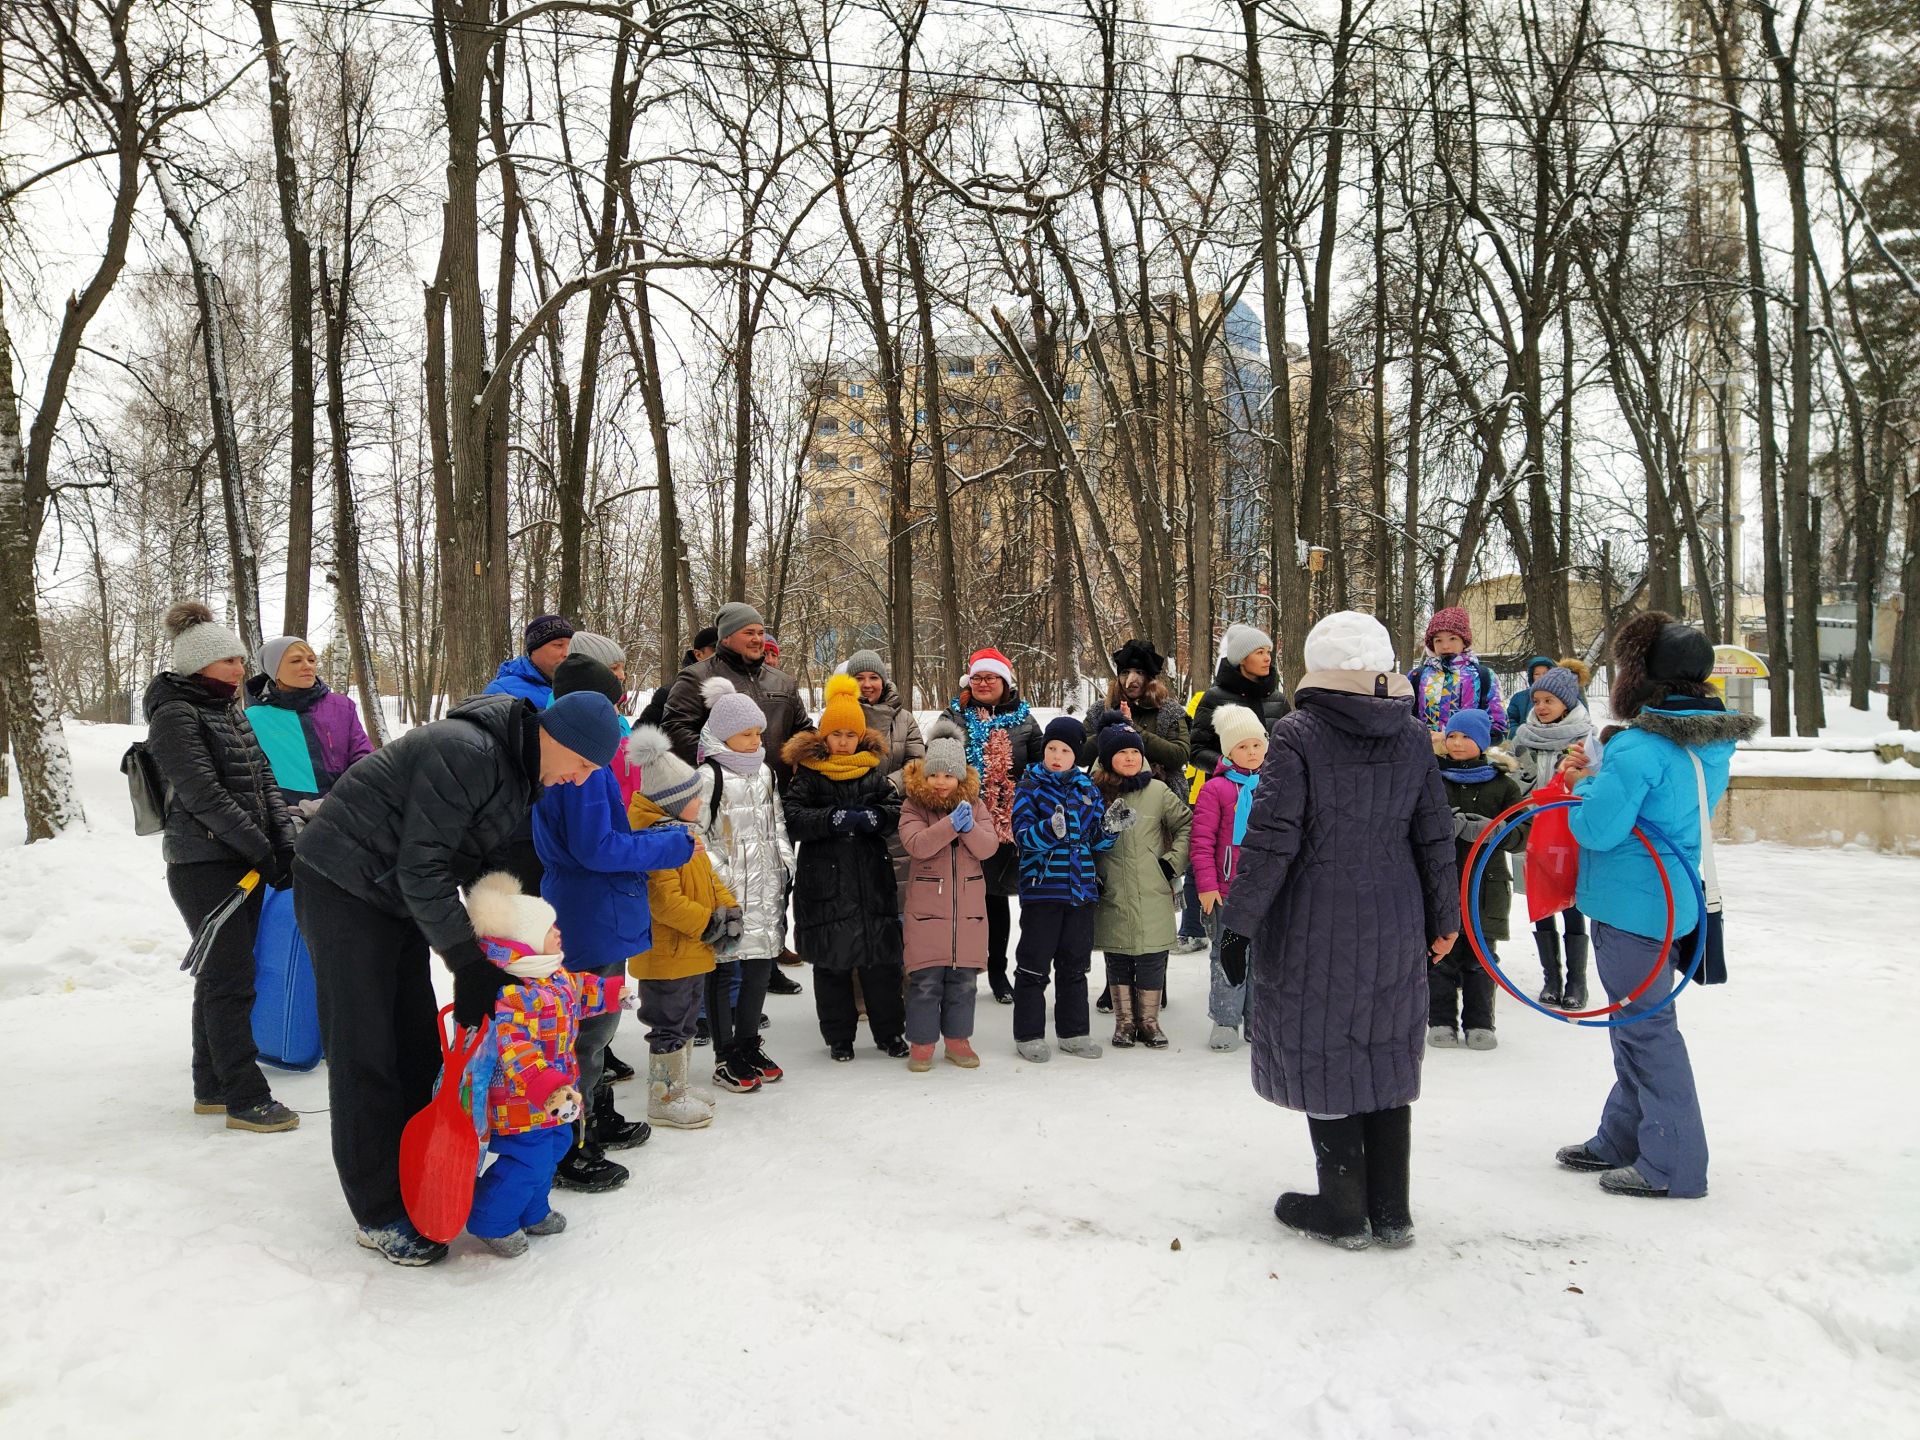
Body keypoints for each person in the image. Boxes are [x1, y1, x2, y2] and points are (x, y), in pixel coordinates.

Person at [292, 687, 623, 1265]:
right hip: (342, 883)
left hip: (393, 894)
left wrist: (507, 951)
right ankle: (377, 1211)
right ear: (561, 740)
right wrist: (468, 964)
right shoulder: (467, 751)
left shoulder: (521, 771)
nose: (579, 779)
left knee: (418, 1043)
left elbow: (465, 864)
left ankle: (420, 1177)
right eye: (583, 766)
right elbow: (423, 863)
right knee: (365, 1047)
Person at [1221, 611, 1459, 1251]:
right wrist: (1446, 917)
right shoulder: (1412, 735)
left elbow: (1272, 839)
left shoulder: (1297, 734)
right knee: (1383, 1047)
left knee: (1325, 1046)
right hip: (1395, 913)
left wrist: (1238, 925)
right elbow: (1433, 834)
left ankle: (1342, 1208)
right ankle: (1392, 1211)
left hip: (1313, 915)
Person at [1555, 613, 1756, 1200]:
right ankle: (1624, 1138)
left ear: (1641, 678)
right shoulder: (1710, 740)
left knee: (1646, 1030)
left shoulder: (1640, 747)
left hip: (1631, 908)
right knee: (1632, 1023)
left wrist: (1582, 787)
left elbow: (1596, 829)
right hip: (1670, 899)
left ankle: (1673, 1163)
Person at [533, 656, 698, 1190]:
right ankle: (569, 1144)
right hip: (590, 914)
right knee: (585, 1032)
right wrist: (666, 843)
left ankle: (594, 1115)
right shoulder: (581, 773)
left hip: (597, 909)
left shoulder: (585, 763)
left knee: (596, 1025)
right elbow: (596, 847)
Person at [145, 602, 301, 1133]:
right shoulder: (174, 716)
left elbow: (264, 781)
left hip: (244, 861)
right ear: (197, 665)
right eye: (228, 662)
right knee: (231, 979)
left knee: (224, 973)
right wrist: (259, 848)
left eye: (240, 660)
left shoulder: (228, 711)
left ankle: (210, 1084)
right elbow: (203, 795)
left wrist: (282, 845)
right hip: (204, 866)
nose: (239, 670)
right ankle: (244, 1096)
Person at [460, 874, 622, 1259]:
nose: (558, 933)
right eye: (548, 929)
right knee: (528, 1158)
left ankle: (532, 1211)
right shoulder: (514, 993)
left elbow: (581, 990)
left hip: (553, 1096)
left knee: (556, 1146)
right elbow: (517, 1051)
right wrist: (549, 1089)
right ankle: (490, 1220)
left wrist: (614, 992)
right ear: (525, 941)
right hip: (522, 1099)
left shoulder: (551, 976)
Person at [784, 676, 909, 1061]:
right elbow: (792, 815)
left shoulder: (873, 771)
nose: (842, 741)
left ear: (861, 736)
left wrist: (874, 817)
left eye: (850, 734)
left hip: (871, 880)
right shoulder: (809, 772)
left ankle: (890, 1033)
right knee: (832, 965)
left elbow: (895, 811)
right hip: (826, 883)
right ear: (823, 736)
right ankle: (839, 1037)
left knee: (881, 963)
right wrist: (831, 819)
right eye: (835, 734)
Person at [624, 730, 740, 1130]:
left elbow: (708, 879)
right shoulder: (654, 842)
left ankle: (680, 1086)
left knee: (687, 1020)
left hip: (689, 951)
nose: (700, 804)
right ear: (673, 803)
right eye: (694, 799)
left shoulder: (684, 835)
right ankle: (664, 1096)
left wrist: (729, 907)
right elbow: (663, 902)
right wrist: (708, 922)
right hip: (666, 954)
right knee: (669, 1024)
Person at [927, 647, 1043, 1003]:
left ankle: (997, 970)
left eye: (990, 678)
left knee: (995, 899)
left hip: (1009, 824)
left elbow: (1039, 766)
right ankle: (956, 967)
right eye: (976, 678)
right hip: (963, 821)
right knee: (960, 900)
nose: (982, 684)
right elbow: (935, 762)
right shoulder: (953, 717)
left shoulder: (1025, 721)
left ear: (1005, 683)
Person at [695, 678, 794, 1090]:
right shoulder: (707, 776)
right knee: (723, 971)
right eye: (746, 734)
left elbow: (778, 823)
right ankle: (726, 1053)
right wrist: (723, 876)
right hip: (728, 893)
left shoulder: (765, 773)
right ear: (722, 734)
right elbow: (696, 834)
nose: (755, 740)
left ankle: (749, 1042)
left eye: (758, 733)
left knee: (758, 969)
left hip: (766, 887)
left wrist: (784, 861)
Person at [1010, 715, 1113, 1062]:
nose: (1056, 755)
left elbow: (1094, 841)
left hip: (1080, 891)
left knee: (1074, 965)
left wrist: (1110, 830)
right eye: (1051, 748)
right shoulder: (1029, 787)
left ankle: (1073, 1032)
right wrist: (1048, 831)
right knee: (1034, 964)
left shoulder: (1088, 790)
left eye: (1064, 750)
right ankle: (1028, 1033)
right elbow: (1022, 836)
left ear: (1076, 756)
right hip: (1043, 891)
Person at [897, 737, 1000, 1071]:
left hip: (967, 918)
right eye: (934, 774)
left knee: (963, 984)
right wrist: (950, 825)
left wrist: (968, 827)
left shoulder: (977, 806)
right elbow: (918, 844)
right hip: (927, 916)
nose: (940, 782)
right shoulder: (913, 807)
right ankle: (922, 1046)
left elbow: (988, 848)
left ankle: (958, 1042)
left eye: (948, 775)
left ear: (960, 777)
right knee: (925, 983)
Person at [1090, 716, 1191, 1050]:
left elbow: (1186, 826)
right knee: (1118, 955)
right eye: (1122, 753)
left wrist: (1172, 862)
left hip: (1152, 886)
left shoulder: (1158, 791)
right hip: (1112, 888)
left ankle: (1149, 1021)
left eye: (1135, 752)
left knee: (1151, 956)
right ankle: (1124, 1023)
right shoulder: (1093, 794)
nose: (1130, 758)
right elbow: (1084, 836)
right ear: (1107, 759)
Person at [1429, 709, 1527, 1052]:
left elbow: (1523, 833)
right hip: (1441, 883)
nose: (1457, 743)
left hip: (1486, 886)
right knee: (1442, 954)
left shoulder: (1504, 785)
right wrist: (1444, 825)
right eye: (1452, 736)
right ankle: (1440, 1019)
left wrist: (1493, 831)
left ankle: (1480, 1022)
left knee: (1481, 957)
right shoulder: (1432, 779)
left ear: (1482, 742)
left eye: (1465, 737)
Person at [1504, 662, 1595, 1008]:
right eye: (1537, 700)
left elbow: (1594, 784)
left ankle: (1577, 981)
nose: (1540, 707)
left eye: (1549, 701)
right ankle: (1551, 978)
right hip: (1532, 832)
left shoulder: (1584, 741)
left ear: (1567, 704)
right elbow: (1512, 782)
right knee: (1540, 902)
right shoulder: (1522, 740)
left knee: (1570, 903)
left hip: (1569, 834)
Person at [660, 603, 811, 784]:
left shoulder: (783, 681)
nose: (757, 639)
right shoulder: (696, 678)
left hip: (779, 792)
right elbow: (674, 729)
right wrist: (724, 760)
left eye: (760, 633)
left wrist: (805, 757)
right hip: (724, 795)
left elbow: (804, 729)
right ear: (725, 638)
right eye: (749, 633)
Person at [1190, 702, 1267, 1052]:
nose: (1251, 752)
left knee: (1263, 958)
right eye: (1242, 746)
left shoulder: (1275, 785)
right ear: (1228, 751)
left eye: (1256, 744)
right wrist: (1206, 885)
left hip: (1267, 891)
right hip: (1227, 890)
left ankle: (1258, 1019)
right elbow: (1202, 842)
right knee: (1229, 954)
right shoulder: (1215, 790)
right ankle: (1225, 1020)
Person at [244, 634, 374, 808]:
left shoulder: (342, 707)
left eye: (311, 660)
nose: (307, 666)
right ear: (273, 669)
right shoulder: (253, 718)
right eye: (296, 661)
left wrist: (337, 799)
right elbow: (253, 777)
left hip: (347, 806)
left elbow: (364, 759)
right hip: (287, 817)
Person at [1080, 640, 1192, 788]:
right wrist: (1109, 730)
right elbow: (1079, 755)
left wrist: (1133, 729)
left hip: (1159, 794)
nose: (1131, 680)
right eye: (1125, 673)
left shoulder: (1169, 711)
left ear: (1150, 678)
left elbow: (1179, 756)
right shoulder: (1100, 710)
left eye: (1139, 673)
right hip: (1106, 793)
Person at [1190, 623, 1291, 779]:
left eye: (1268, 652)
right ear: (1242, 659)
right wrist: (1227, 765)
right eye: (1260, 652)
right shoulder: (1214, 698)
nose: (1267, 658)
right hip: (1227, 792)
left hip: (1272, 791)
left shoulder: (1279, 700)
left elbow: (1289, 747)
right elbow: (1196, 750)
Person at [1407, 606, 1506, 742]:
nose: (1445, 646)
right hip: (1423, 756)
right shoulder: (1417, 676)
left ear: (1464, 641)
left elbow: (1498, 727)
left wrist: (1458, 738)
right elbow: (1404, 720)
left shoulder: (1484, 676)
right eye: (1438, 640)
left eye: (1452, 638)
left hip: (1467, 758)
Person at [635, 626, 716, 732]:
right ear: (698, 654)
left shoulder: (740, 689)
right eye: (717, 649)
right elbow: (639, 736)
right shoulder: (670, 693)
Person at [485, 614, 574, 708]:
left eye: (571, 646)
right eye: (558, 645)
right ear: (534, 649)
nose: (567, 653)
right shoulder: (501, 691)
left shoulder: (579, 687)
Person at [1505, 655, 1557, 732]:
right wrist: (1519, 734)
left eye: (1545, 673)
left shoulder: (1561, 696)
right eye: (1537, 674)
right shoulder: (1519, 698)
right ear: (1531, 676)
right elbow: (1510, 721)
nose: (1541, 677)